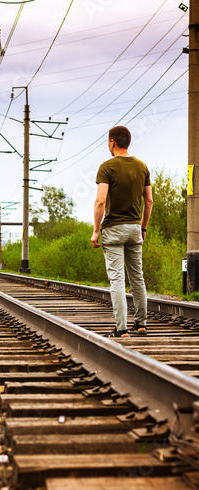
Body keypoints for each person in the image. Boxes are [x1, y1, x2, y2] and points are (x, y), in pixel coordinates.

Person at [91, 126, 153, 338]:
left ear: (111, 142)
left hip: (113, 229)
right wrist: (143, 227)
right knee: (138, 278)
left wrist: (95, 230)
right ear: (128, 141)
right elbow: (149, 201)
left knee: (117, 280)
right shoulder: (142, 166)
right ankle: (142, 324)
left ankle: (122, 328)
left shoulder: (106, 167)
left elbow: (100, 201)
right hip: (135, 228)